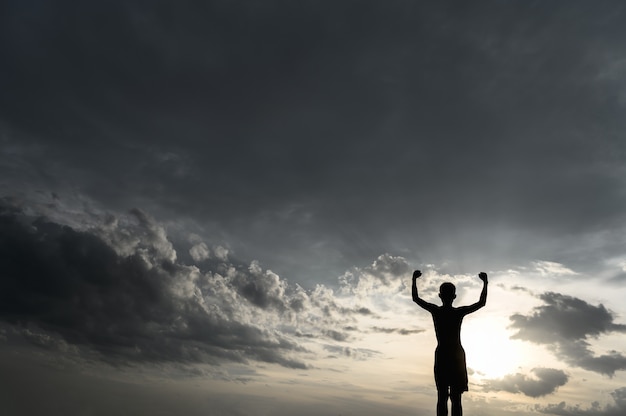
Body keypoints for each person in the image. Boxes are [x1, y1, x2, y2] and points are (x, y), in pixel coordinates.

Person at [412, 270, 488, 416]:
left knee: (442, 396)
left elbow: (416, 298)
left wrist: (414, 279)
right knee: (455, 398)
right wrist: (485, 283)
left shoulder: (437, 311)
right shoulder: (457, 312)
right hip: (455, 355)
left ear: (440, 296)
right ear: (454, 296)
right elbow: (481, 303)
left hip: (443, 354)